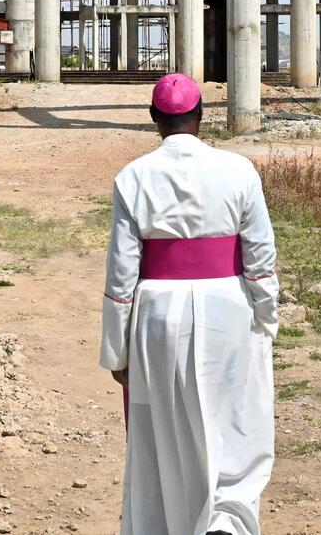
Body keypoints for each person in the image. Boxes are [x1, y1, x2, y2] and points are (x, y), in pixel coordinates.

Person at [100, 73, 278, 535]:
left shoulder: (132, 176)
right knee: (233, 420)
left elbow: (122, 273)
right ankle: (225, 521)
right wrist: (266, 319)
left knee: (164, 429)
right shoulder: (239, 170)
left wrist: (116, 350)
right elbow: (260, 257)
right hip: (228, 308)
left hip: (157, 313)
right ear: (201, 116)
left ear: (154, 119)